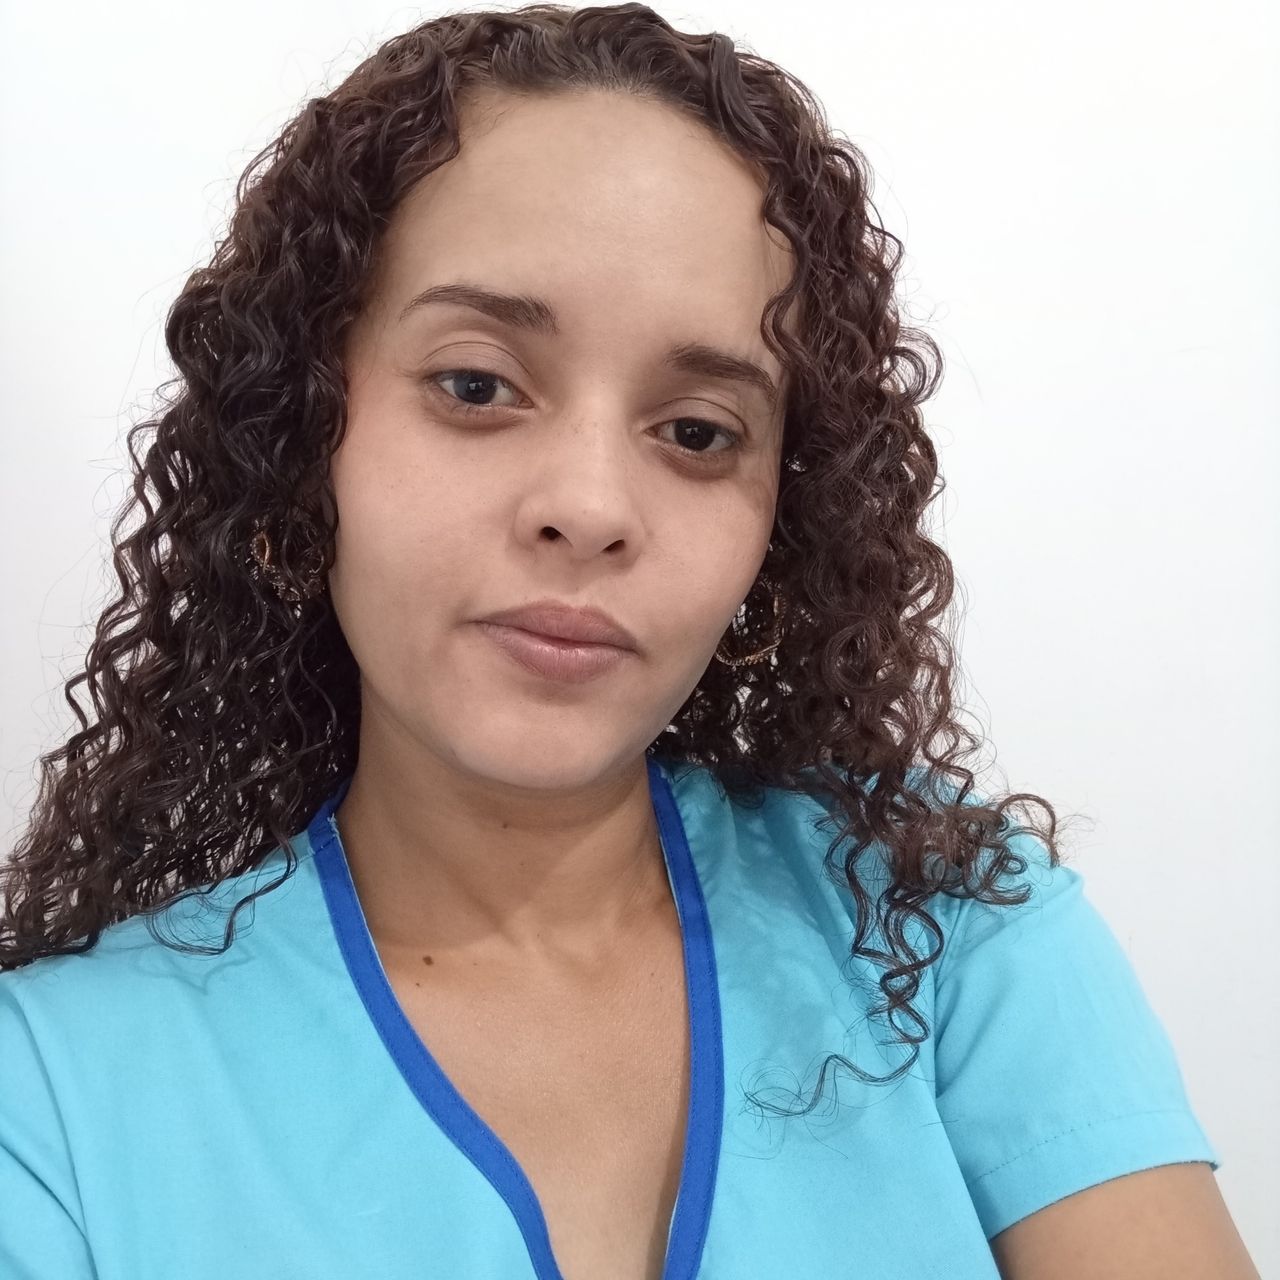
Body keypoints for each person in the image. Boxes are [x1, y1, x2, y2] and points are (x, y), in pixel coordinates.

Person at [0, 4, 1259, 1278]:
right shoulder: (47, 1099)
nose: (590, 505)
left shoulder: (944, 929)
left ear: (781, 520)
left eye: (697, 432)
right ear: (299, 437)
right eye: (476, 385)